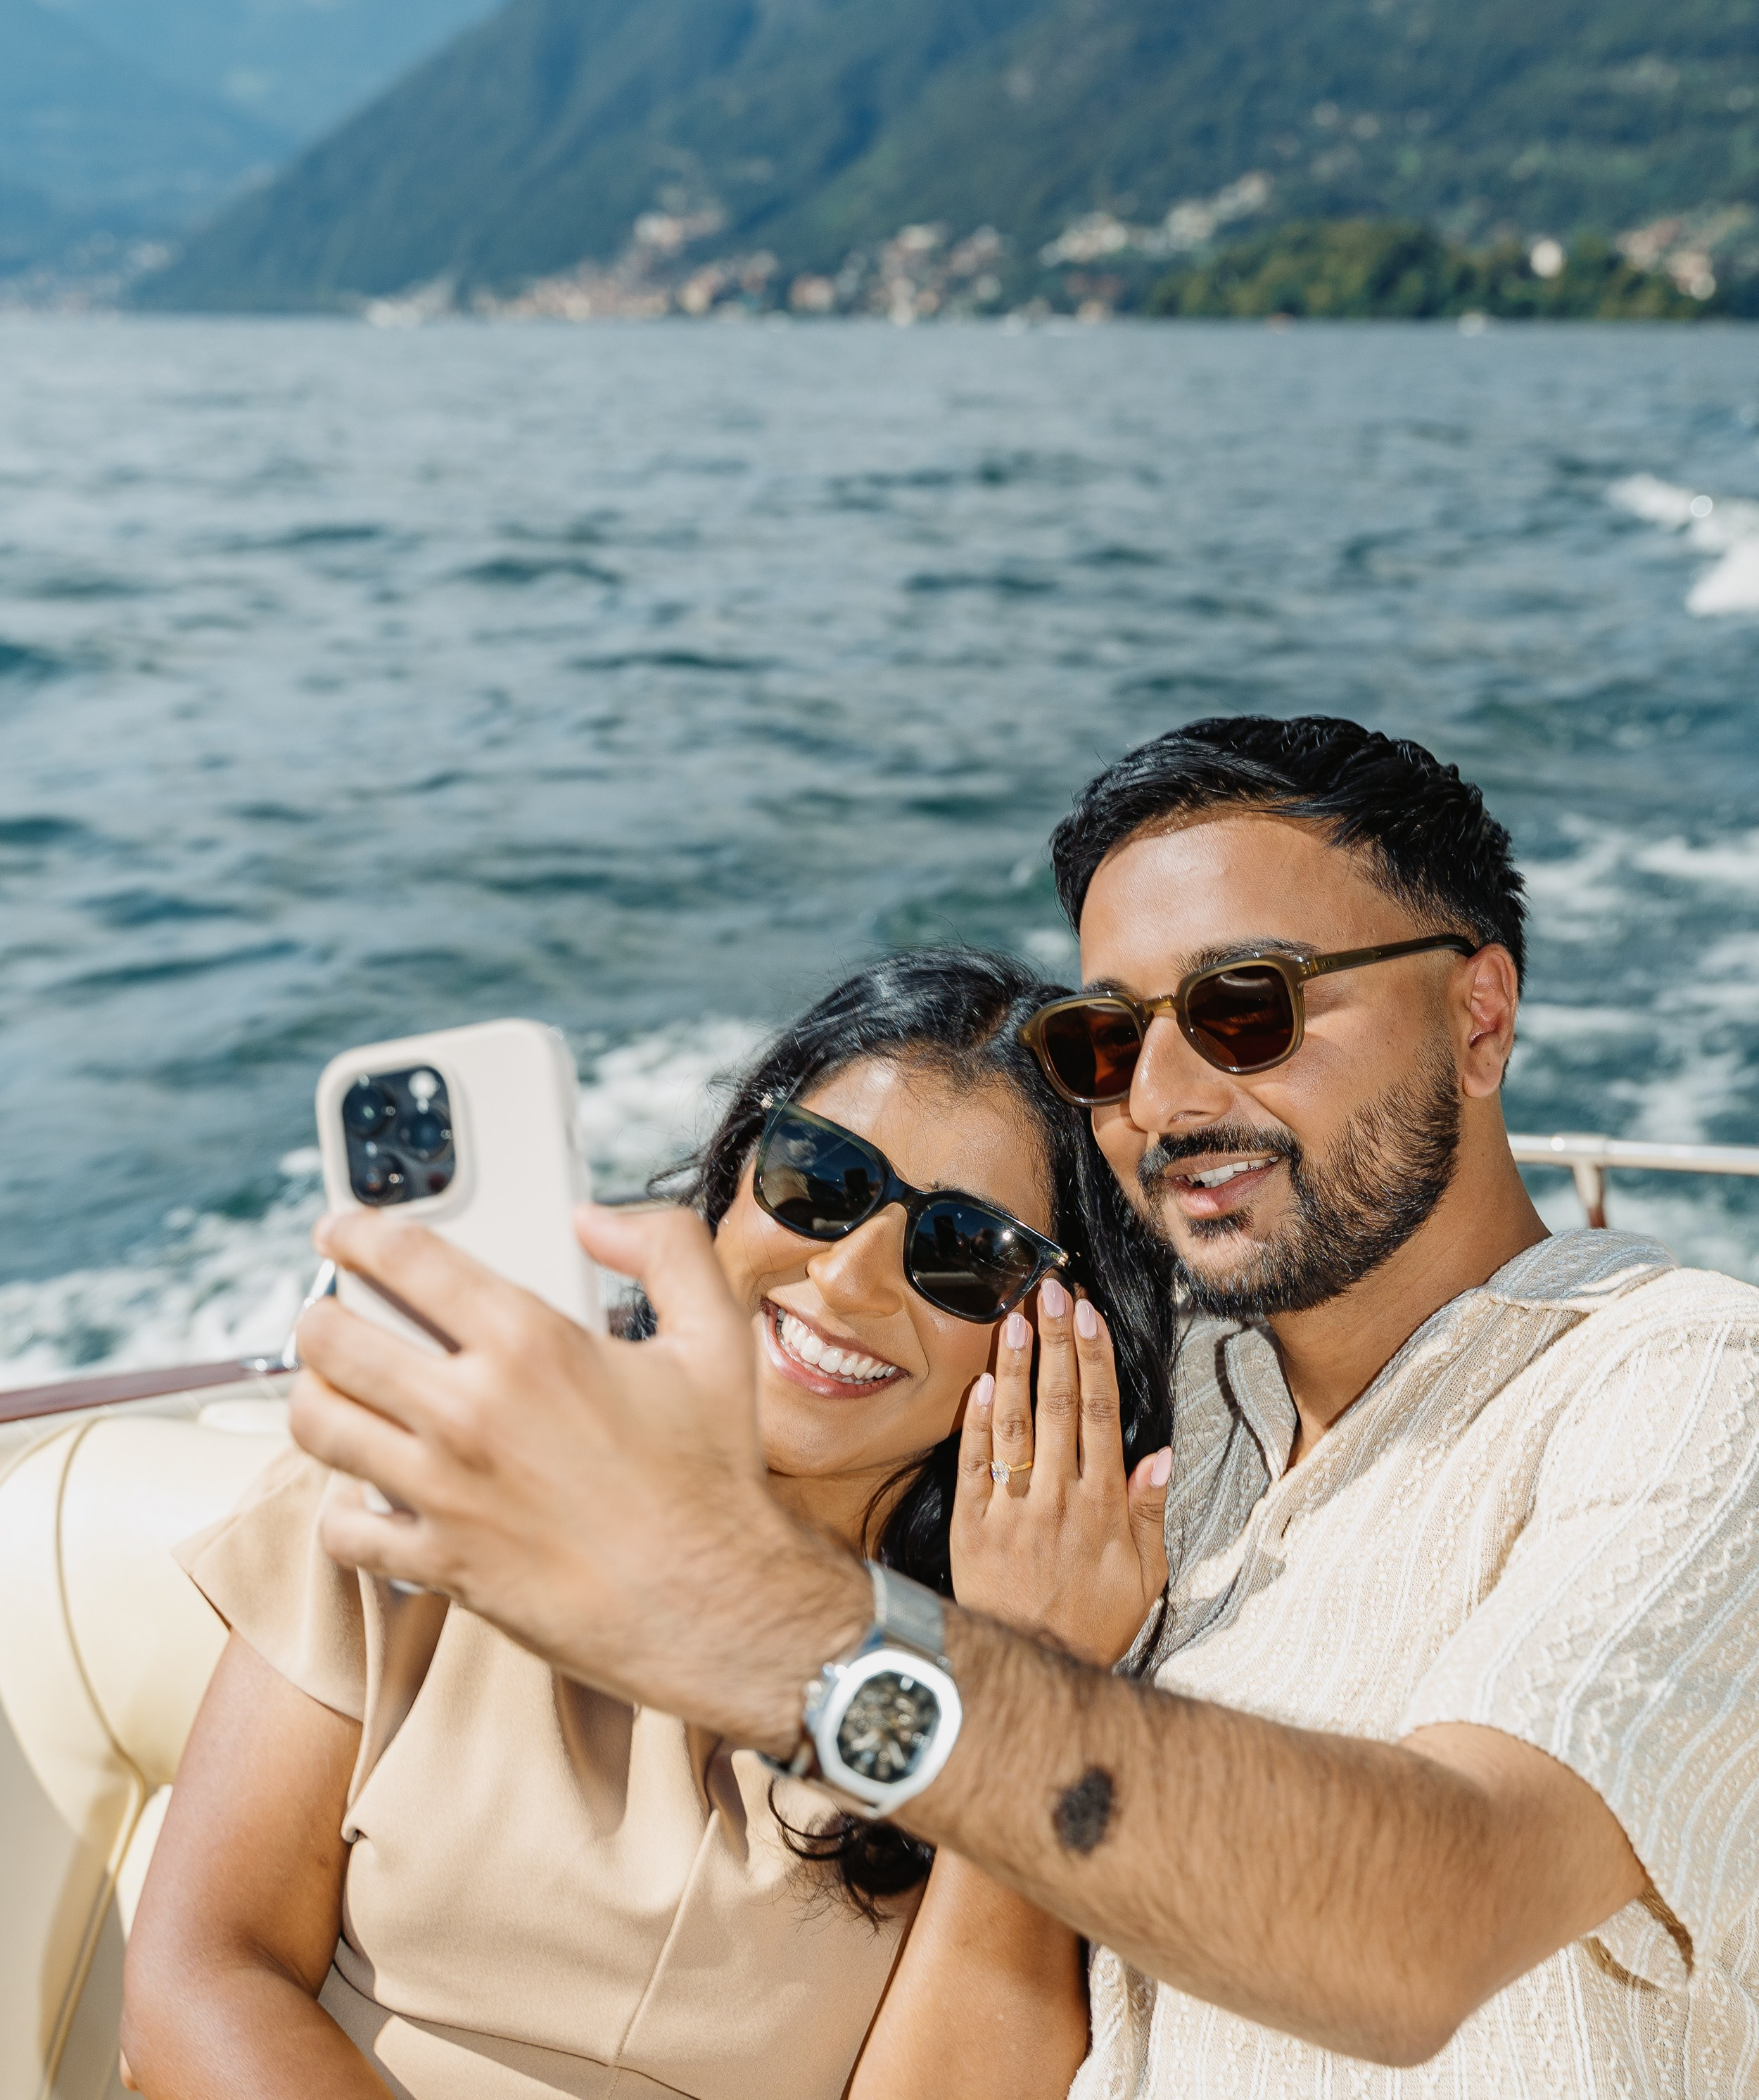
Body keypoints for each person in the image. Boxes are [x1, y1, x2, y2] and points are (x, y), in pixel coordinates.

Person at [272, 717, 1759, 2098]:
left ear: (1477, 1016)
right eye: (1105, 1042)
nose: (1163, 1101)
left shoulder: (1683, 1391)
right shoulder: (1123, 1412)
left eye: (1247, 1009)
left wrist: (758, 1616)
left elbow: (1429, 1924)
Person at [122, 950, 1178, 2100]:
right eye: (819, 1175)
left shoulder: (1039, 1641)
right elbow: (202, 1975)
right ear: (736, 1174)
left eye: (965, 1251)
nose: (850, 1275)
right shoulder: (424, 1475)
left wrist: (1025, 1679)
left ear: (1061, 1326)